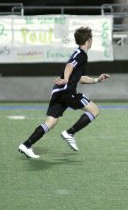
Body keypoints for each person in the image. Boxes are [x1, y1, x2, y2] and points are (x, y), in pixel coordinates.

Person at [18, 26, 110, 159]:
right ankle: (70, 133)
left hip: (59, 92)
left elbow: (81, 78)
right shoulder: (81, 54)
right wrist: (66, 79)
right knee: (94, 110)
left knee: (51, 122)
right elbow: (69, 66)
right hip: (67, 91)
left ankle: (26, 145)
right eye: (92, 38)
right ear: (89, 40)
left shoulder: (80, 54)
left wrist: (97, 80)